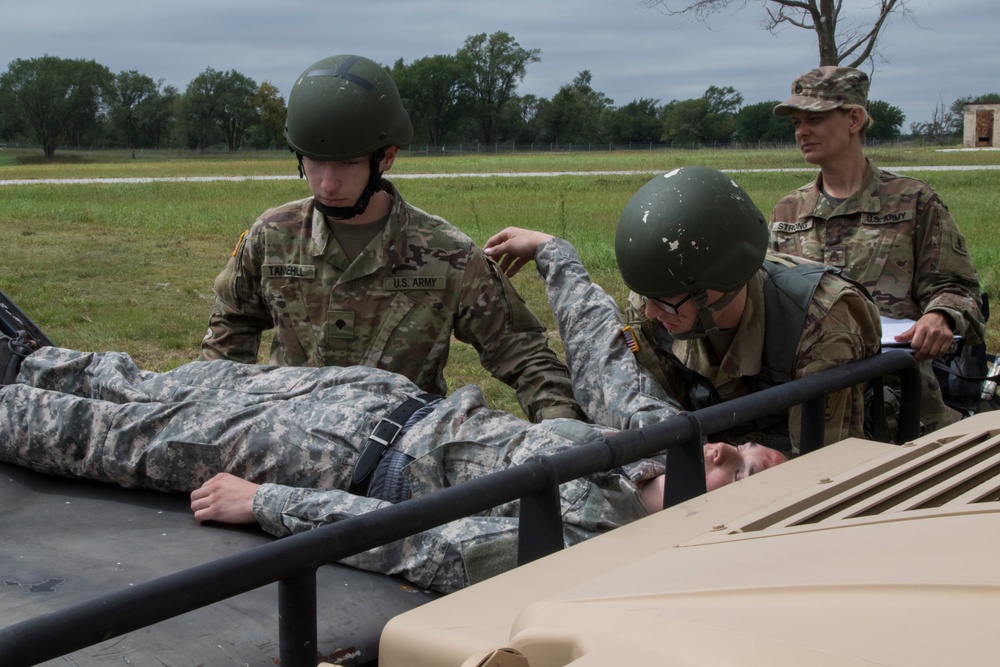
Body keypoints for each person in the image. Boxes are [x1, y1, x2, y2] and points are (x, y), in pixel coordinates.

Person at [0, 331, 785, 595]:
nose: (720, 449)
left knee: (112, 437)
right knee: (163, 382)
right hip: (377, 396)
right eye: (740, 444)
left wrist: (268, 502)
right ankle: (25, 356)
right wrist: (555, 252)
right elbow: (603, 362)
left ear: (704, 524)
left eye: (733, 471)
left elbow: (412, 538)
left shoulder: (570, 542)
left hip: (329, 460)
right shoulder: (656, 451)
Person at [199, 54, 582, 424]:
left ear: (387, 157)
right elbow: (229, 333)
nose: (328, 184)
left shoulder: (448, 255)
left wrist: (561, 435)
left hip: (398, 458)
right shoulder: (272, 236)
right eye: (315, 161)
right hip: (289, 442)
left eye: (348, 163)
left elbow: (526, 359)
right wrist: (216, 418)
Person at [485, 166, 883, 456]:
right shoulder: (656, 307)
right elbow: (634, 403)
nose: (652, 314)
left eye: (667, 301)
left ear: (718, 287)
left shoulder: (822, 320)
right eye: (648, 298)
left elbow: (822, 469)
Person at [769, 66, 986, 431]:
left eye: (815, 119)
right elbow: (770, 299)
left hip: (902, 399)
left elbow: (959, 288)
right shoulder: (787, 212)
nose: (802, 131)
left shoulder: (913, 201)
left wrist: (941, 318)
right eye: (796, 123)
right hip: (815, 405)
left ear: (854, 119)